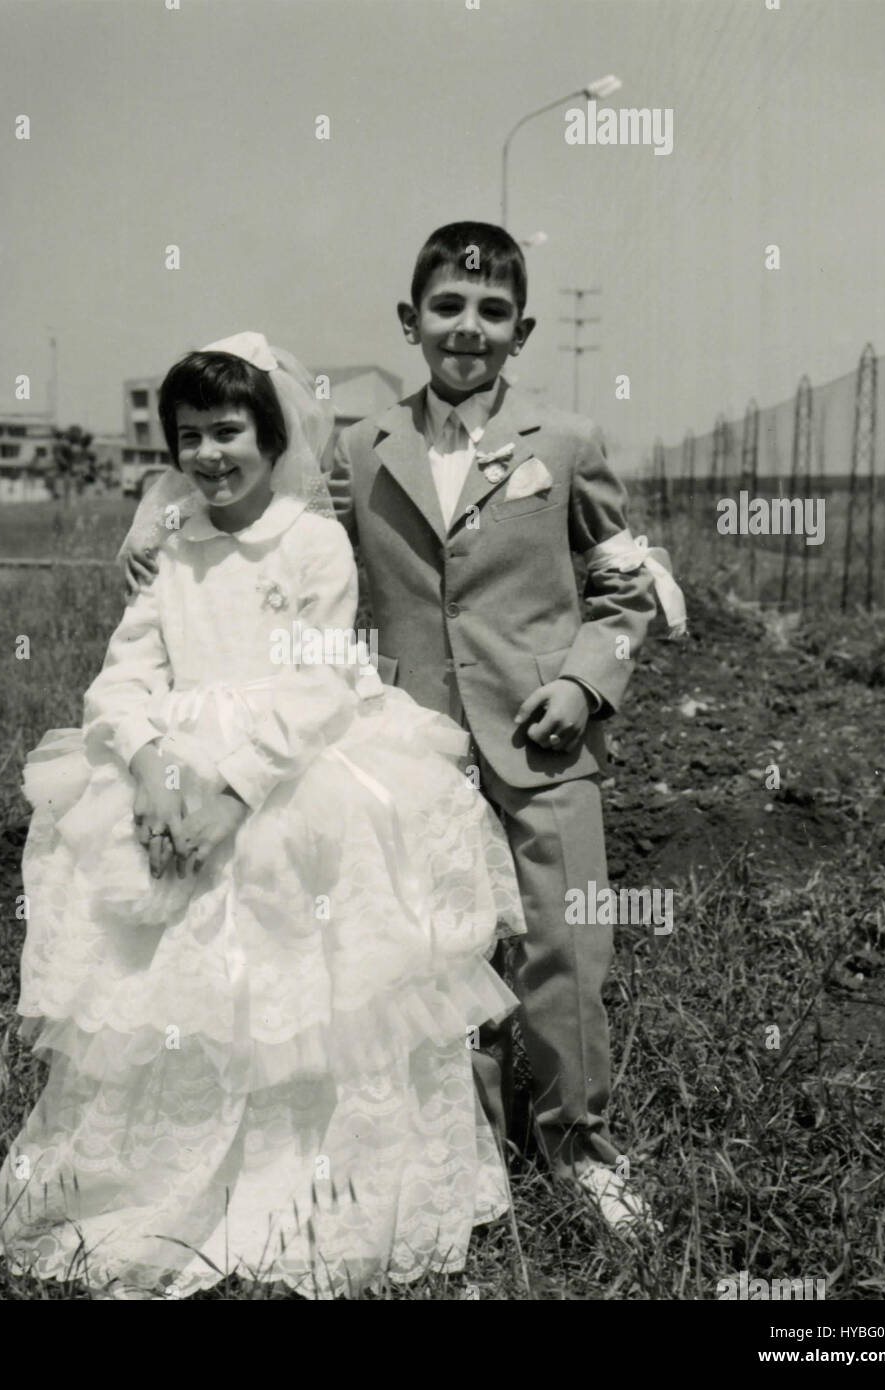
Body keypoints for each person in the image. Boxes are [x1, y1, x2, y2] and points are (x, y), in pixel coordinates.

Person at [0, 332, 525, 1300]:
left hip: (291, 769)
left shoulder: (308, 540)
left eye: (229, 431)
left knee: (303, 978)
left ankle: (304, 1189)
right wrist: (154, 768)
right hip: (174, 763)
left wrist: (234, 791)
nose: (209, 454)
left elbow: (318, 680)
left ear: (270, 433)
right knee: (173, 992)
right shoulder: (175, 545)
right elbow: (125, 675)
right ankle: (171, 1185)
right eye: (189, 436)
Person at [327, 223, 686, 1230]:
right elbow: (297, 558)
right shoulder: (360, 446)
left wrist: (584, 682)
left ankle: (580, 1148)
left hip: (542, 741)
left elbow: (624, 583)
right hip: (412, 748)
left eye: (490, 312)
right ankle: (463, 1152)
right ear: (411, 322)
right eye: (447, 307)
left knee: (565, 945)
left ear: (520, 330)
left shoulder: (565, 442)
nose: (467, 328)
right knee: (437, 951)